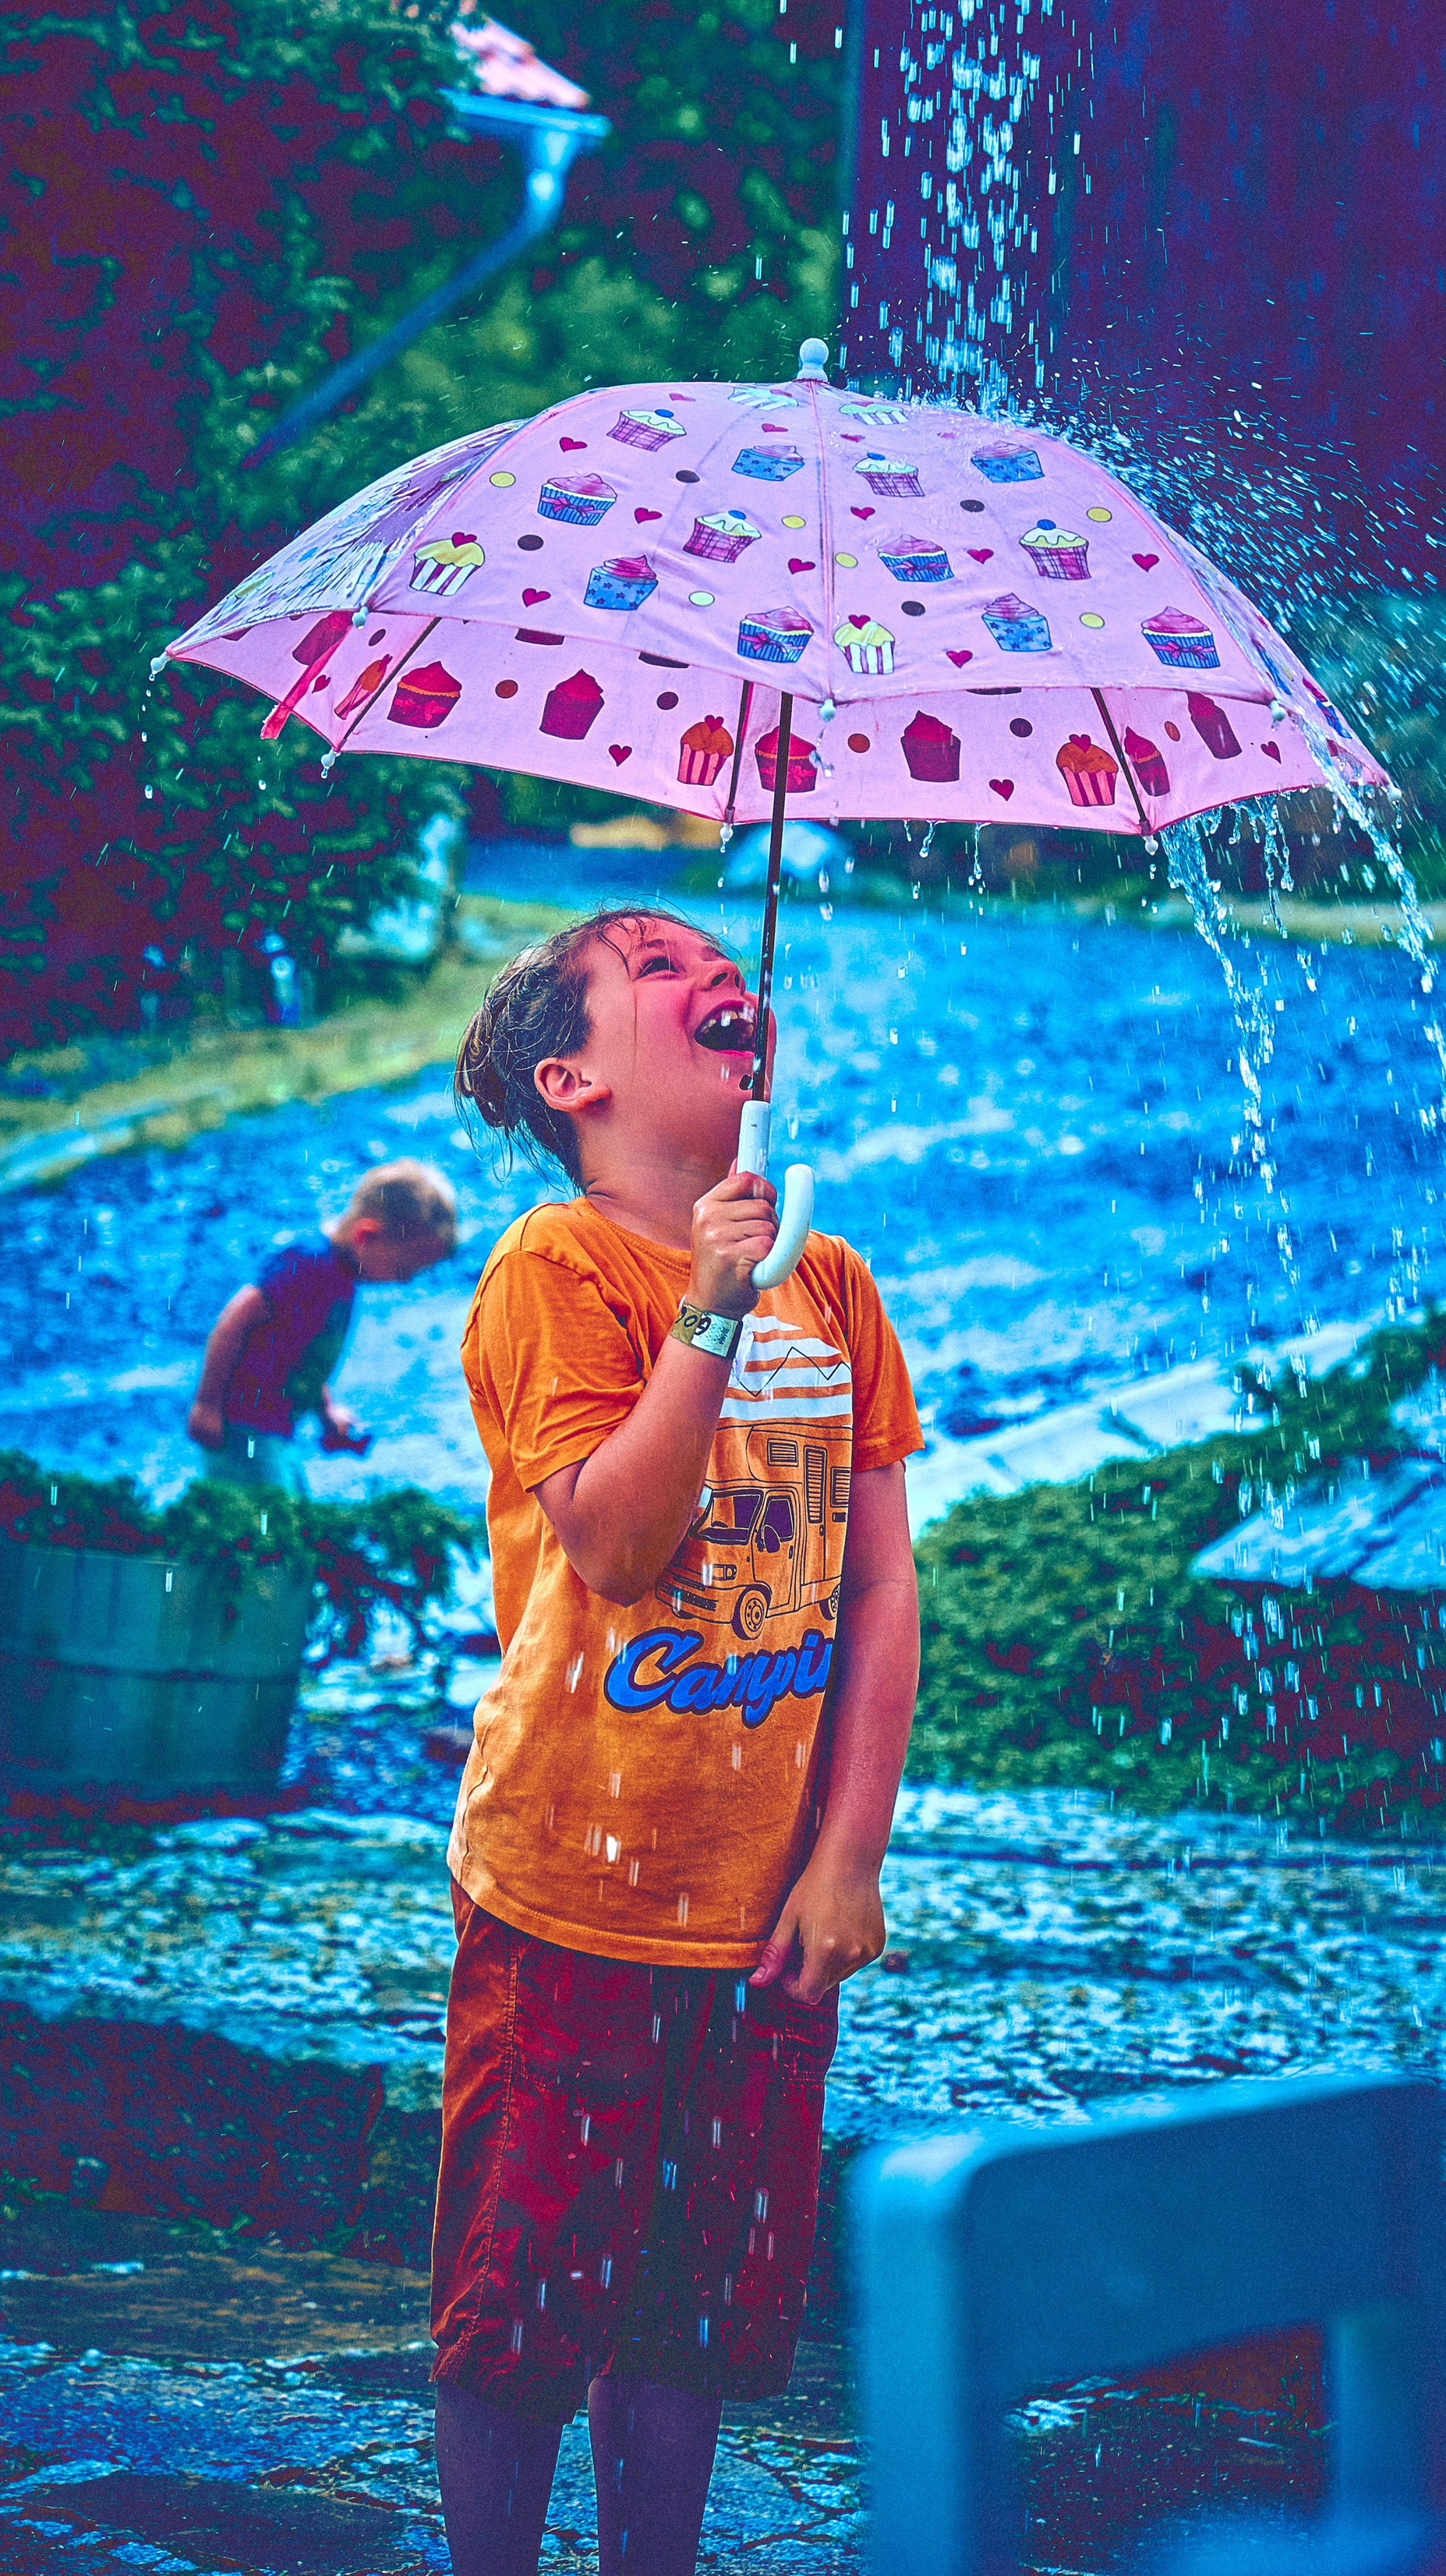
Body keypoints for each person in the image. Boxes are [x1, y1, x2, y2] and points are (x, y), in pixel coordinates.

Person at [435, 906, 923, 2576]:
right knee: (524, 2296)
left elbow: (877, 1592)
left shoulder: (838, 1287)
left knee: (696, 2304)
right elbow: (616, 1545)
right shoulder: (554, 1270)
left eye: (725, 959)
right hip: (568, 1889)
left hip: (759, 1908)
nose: (718, 971)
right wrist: (707, 1311)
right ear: (570, 1079)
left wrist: (847, 1852)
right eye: (654, 965)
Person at [186, 1159, 458, 1491]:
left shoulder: (342, 1277)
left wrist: (327, 1412)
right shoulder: (308, 1265)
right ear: (365, 1236)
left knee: (291, 1507)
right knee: (270, 1521)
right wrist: (207, 1405)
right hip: (241, 1424)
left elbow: (303, 1354)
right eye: (403, 1269)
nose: (403, 1283)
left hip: (276, 1426)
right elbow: (233, 1322)